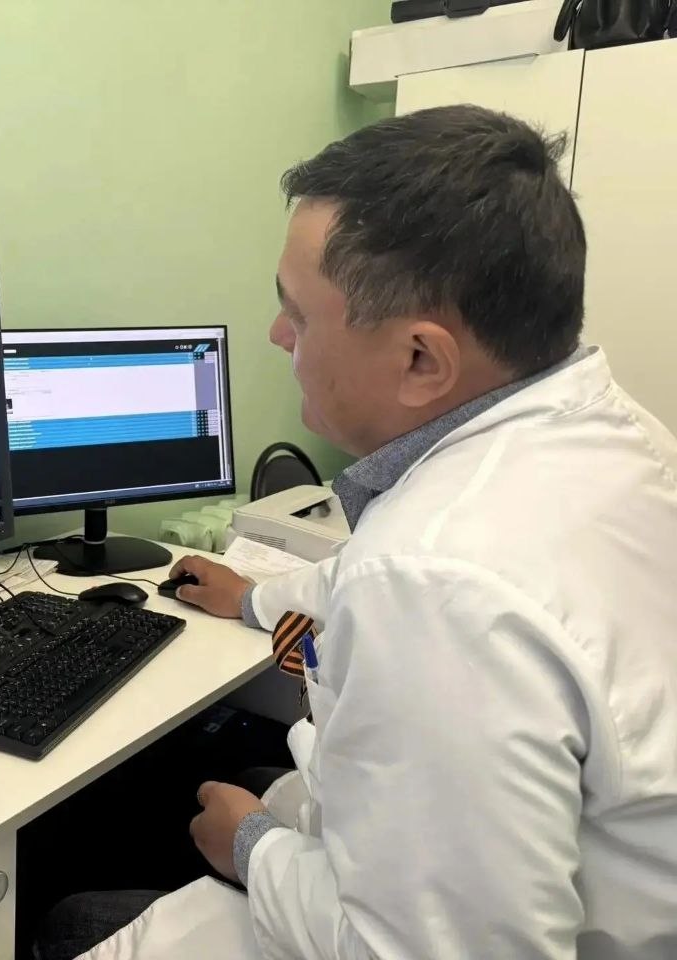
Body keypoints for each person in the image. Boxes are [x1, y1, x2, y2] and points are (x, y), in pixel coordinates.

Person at [41, 105, 677, 959]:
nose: (275, 336)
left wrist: (250, 847)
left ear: (421, 359)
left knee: (77, 919)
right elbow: (377, 578)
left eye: (299, 316)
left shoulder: (435, 579)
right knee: (255, 776)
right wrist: (254, 597)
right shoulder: (607, 432)